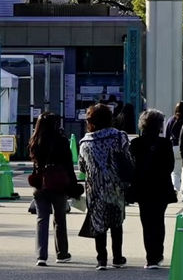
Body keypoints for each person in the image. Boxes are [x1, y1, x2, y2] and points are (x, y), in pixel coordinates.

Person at [79, 103, 134, 270]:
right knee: (116, 222)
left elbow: (82, 167)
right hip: (116, 185)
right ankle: (117, 257)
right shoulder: (119, 136)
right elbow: (128, 158)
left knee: (98, 222)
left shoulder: (85, 142)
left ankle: (101, 259)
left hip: (94, 187)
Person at [28, 112, 82, 266]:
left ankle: (41, 256)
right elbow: (68, 166)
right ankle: (62, 253)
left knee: (41, 219)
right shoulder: (61, 141)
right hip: (59, 183)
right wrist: (73, 186)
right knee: (59, 220)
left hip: (41, 184)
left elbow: (35, 164)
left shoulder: (35, 140)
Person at [130, 109, 176, 269]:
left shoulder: (135, 144)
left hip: (143, 187)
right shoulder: (165, 143)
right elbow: (170, 166)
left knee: (147, 221)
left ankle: (150, 257)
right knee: (159, 220)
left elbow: (132, 167)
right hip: (161, 187)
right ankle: (158, 254)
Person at [165, 100, 183, 198]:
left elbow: (166, 136)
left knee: (175, 172)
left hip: (174, 147)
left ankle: (176, 188)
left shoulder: (171, 120)